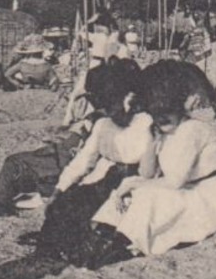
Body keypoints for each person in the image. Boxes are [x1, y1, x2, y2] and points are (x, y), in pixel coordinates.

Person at [91, 60, 216, 257]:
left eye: (168, 113)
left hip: (215, 196)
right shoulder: (164, 132)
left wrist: (132, 183)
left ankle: (122, 242)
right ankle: (105, 233)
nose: (162, 119)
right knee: (136, 194)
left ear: (181, 107)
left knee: (149, 197)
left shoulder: (192, 130)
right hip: (191, 190)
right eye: (156, 114)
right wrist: (152, 142)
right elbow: (146, 173)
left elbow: (175, 182)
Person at [34, 59, 151, 264]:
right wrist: (59, 189)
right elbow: (83, 161)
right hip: (103, 181)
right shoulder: (104, 125)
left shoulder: (147, 123)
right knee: (66, 205)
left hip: (133, 186)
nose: (105, 110)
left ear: (129, 98)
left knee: (104, 227)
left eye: (109, 104)